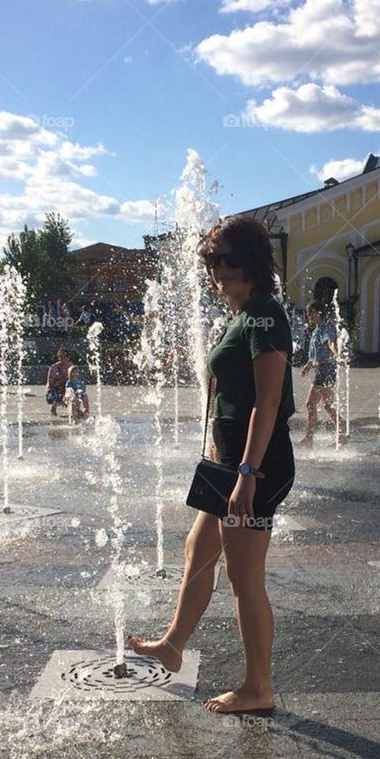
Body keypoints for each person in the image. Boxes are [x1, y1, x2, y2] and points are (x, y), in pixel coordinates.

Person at [128, 215, 295, 715]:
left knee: (245, 579)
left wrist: (246, 474)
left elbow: (267, 404)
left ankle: (258, 687)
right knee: (197, 547)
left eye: (226, 259)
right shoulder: (242, 316)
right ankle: (173, 644)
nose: (216, 269)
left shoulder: (266, 316)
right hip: (228, 463)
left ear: (251, 261)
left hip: (256, 466)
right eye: (209, 260)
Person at [297, 300, 341, 445]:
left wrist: (337, 355)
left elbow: (331, 343)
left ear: (318, 312)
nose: (308, 315)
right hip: (320, 369)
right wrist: (308, 365)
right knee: (326, 405)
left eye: (311, 312)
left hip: (325, 369)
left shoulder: (326, 327)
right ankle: (341, 432)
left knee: (311, 403)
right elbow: (315, 352)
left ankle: (310, 438)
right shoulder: (316, 329)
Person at [46, 347, 69, 416]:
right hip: (53, 389)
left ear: (68, 357)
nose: (60, 358)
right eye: (59, 356)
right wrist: (63, 380)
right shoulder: (54, 368)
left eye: (63, 356)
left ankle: (75, 409)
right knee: (57, 396)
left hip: (66, 388)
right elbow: (51, 384)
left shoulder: (70, 367)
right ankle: (53, 408)